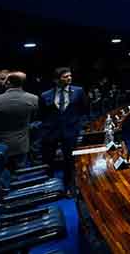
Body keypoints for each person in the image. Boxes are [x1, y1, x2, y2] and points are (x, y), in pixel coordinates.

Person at [39, 67, 88, 195]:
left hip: (70, 131)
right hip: (51, 132)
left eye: (70, 76)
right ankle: (48, 188)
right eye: (65, 76)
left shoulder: (78, 91)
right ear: (56, 80)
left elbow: (84, 109)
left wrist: (78, 125)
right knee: (48, 161)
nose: (69, 78)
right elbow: (42, 114)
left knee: (69, 161)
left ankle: (69, 187)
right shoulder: (45, 95)